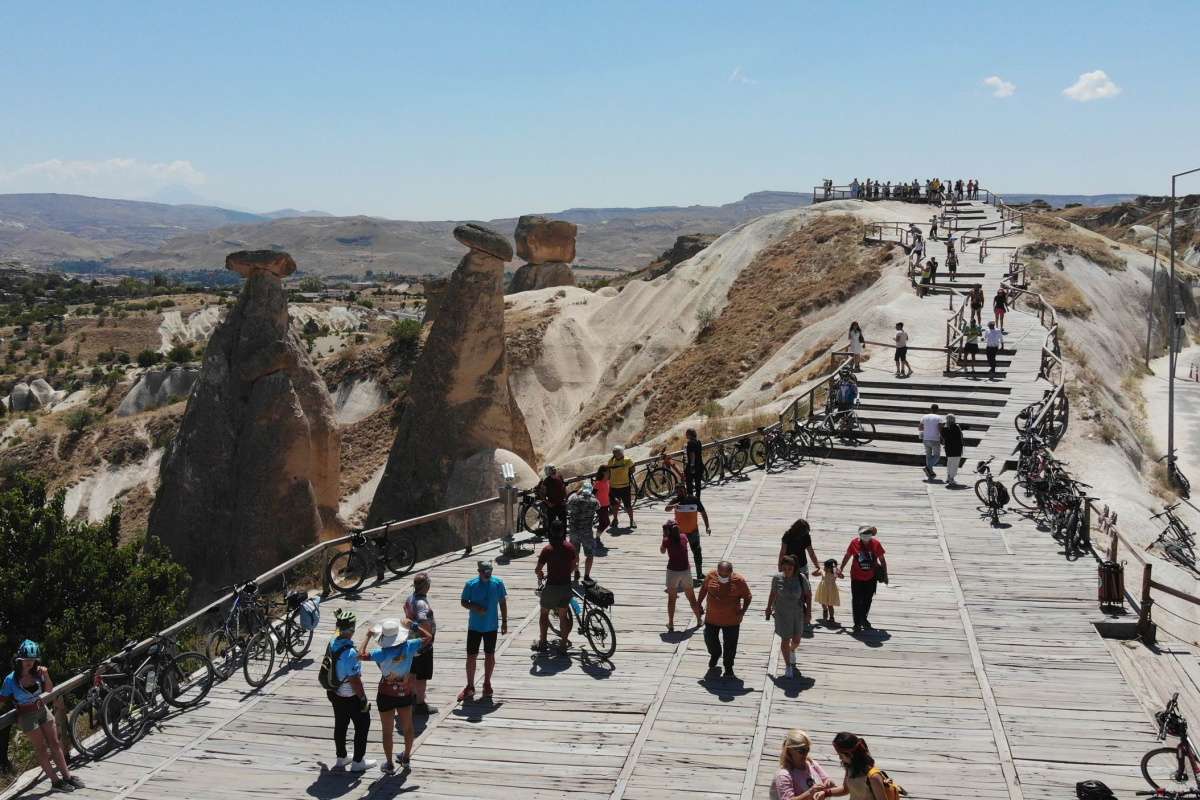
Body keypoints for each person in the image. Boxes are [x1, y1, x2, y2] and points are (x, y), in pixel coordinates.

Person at [0, 641, 83, 791]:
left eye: (32, 659)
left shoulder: (38, 673)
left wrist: (46, 674)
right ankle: (55, 782)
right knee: (42, 748)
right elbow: (2, 699)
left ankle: (67, 777)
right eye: (26, 659)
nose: (29, 663)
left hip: (42, 709)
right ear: (19, 659)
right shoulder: (10, 680)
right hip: (27, 715)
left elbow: (49, 690)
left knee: (55, 743)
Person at [362, 618, 431, 772]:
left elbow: (361, 655)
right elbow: (428, 637)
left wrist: (368, 635)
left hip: (385, 694)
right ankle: (406, 758)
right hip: (404, 693)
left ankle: (389, 764)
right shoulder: (410, 646)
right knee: (408, 727)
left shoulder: (381, 652)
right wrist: (413, 625)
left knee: (387, 731)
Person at [326, 609, 376, 772]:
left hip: (335, 693)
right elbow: (355, 681)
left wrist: (338, 617)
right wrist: (363, 699)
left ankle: (341, 758)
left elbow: (337, 629)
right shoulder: (350, 653)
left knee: (340, 724)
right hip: (350, 695)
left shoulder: (333, 641)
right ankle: (358, 761)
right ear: (352, 629)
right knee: (363, 725)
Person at [458, 560, 508, 702]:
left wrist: (504, 622)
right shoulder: (470, 584)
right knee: (471, 656)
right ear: (479, 571)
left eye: (489, 572)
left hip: (491, 626)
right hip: (474, 626)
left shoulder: (498, 583)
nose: (488, 574)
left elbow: (503, 602)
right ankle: (470, 686)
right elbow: (463, 602)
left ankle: (487, 684)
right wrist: (475, 607)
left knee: (490, 655)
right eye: (485, 572)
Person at [697, 561, 752, 678]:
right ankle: (715, 654)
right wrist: (699, 603)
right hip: (712, 618)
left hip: (731, 620)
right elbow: (703, 589)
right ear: (717, 571)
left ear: (731, 573)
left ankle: (728, 667)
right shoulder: (710, 576)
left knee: (730, 645)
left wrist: (743, 611)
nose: (723, 577)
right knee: (709, 638)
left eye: (726, 575)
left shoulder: (739, 581)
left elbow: (748, 596)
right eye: (720, 574)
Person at [533, 526, 578, 652]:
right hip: (566, 587)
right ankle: (563, 645)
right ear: (563, 533)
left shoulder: (547, 549)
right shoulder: (570, 547)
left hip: (552, 587)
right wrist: (565, 573)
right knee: (563, 616)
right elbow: (574, 566)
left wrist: (540, 574)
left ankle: (542, 643)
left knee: (544, 613)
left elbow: (538, 569)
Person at [837, 527, 887, 634]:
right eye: (864, 533)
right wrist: (841, 568)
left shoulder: (876, 544)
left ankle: (863, 618)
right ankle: (857, 622)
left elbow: (882, 560)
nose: (866, 535)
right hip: (856, 576)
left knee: (867, 599)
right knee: (856, 599)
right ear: (860, 534)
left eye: (868, 533)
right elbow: (847, 556)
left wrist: (885, 575)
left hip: (871, 577)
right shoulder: (854, 543)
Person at [813, 732, 893, 800]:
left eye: (840, 755)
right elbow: (845, 789)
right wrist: (825, 793)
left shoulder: (873, 777)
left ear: (850, 754)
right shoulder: (850, 768)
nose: (840, 758)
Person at [765, 556, 807, 679]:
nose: (787, 571)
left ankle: (792, 650)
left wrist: (808, 613)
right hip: (781, 612)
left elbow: (808, 595)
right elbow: (773, 593)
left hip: (797, 612)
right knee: (785, 639)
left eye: (790, 568)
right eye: (784, 569)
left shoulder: (801, 578)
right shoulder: (777, 578)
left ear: (794, 568)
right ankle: (788, 665)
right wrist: (768, 608)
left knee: (797, 640)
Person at [403, 573, 436, 716]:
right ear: (426, 586)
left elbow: (406, 613)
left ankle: (412, 698)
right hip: (422, 645)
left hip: (410, 642)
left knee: (412, 672)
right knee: (422, 676)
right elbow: (423, 621)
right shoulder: (422, 603)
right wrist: (427, 639)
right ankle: (421, 704)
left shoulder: (410, 598)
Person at [778, 518, 821, 627]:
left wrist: (817, 566)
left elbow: (811, 552)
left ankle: (802, 611)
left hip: (802, 565)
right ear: (799, 530)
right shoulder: (788, 535)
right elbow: (783, 551)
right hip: (789, 567)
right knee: (789, 588)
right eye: (805, 531)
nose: (806, 533)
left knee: (804, 589)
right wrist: (780, 566)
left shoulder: (806, 536)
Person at [661, 520, 703, 631]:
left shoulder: (667, 540)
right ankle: (699, 620)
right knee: (691, 598)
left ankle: (671, 623)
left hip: (672, 571)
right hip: (685, 571)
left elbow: (662, 551)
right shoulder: (684, 537)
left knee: (672, 599)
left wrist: (664, 537)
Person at [666, 483, 710, 585]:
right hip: (679, 534)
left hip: (693, 531)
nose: (680, 492)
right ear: (676, 492)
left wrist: (707, 526)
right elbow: (667, 508)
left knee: (697, 552)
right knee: (680, 553)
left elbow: (703, 512)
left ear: (685, 490)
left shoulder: (694, 499)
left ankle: (699, 573)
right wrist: (673, 505)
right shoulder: (676, 500)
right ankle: (680, 574)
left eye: (682, 490)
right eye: (678, 491)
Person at [771, 729, 835, 800]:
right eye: (801, 751)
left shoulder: (811, 763)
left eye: (807, 749)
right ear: (790, 750)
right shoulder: (784, 775)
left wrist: (829, 783)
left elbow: (826, 779)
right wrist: (809, 792)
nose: (805, 754)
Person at [566, 483, 600, 582]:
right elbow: (598, 507)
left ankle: (576, 570)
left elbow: (567, 507)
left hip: (574, 531)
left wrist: (577, 494)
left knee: (574, 553)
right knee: (589, 554)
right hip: (587, 532)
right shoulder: (594, 501)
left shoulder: (574, 498)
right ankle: (586, 576)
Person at [607, 445, 636, 531]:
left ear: (621, 452)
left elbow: (633, 469)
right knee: (614, 505)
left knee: (628, 505)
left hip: (625, 486)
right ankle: (615, 519)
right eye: (615, 452)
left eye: (617, 452)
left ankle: (632, 520)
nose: (616, 454)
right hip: (613, 487)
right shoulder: (611, 461)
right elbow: (608, 472)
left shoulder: (628, 460)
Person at [536, 464, 567, 535]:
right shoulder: (546, 481)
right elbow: (542, 494)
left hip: (560, 505)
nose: (554, 471)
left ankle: (562, 539)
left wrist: (565, 499)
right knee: (551, 525)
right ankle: (553, 540)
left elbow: (563, 487)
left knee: (563, 525)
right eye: (552, 470)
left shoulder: (559, 477)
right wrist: (548, 503)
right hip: (552, 506)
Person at [918, 403, 944, 481]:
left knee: (928, 456)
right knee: (937, 456)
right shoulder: (939, 418)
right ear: (937, 410)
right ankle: (928, 468)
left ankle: (930, 473)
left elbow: (920, 428)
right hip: (935, 439)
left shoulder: (924, 417)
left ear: (930, 409)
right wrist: (942, 437)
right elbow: (940, 429)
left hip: (926, 439)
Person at [814, 559, 841, 627]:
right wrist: (817, 569)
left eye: (826, 567)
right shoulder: (823, 571)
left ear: (831, 568)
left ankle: (831, 617)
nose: (824, 568)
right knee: (823, 602)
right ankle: (825, 610)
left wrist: (839, 573)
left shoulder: (834, 572)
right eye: (824, 566)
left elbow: (842, 576)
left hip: (831, 590)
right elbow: (814, 574)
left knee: (830, 604)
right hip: (823, 589)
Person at [942, 414, 964, 487]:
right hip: (956, 449)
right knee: (954, 464)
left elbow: (943, 436)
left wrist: (945, 425)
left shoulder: (945, 428)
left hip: (948, 448)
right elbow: (960, 437)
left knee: (949, 463)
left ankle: (948, 477)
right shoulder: (956, 427)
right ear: (954, 420)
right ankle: (951, 478)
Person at [593, 466, 611, 546]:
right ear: (603, 472)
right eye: (607, 471)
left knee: (603, 522)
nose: (609, 473)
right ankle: (597, 537)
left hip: (606, 504)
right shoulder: (598, 483)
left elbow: (608, 493)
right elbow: (592, 494)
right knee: (606, 522)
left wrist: (613, 500)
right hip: (600, 506)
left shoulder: (607, 482)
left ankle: (597, 537)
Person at [684, 428, 704, 499]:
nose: (685, 435)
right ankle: (697, 498)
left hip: (693, 466)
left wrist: (692, 466)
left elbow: (692, 455)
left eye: (686, 434)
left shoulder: (690, 443)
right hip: (700, 465)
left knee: (689, 483)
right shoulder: (698, 441)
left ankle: (691, 498)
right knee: (698, 484)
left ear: (689, 435)